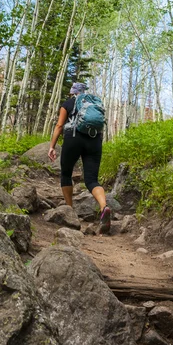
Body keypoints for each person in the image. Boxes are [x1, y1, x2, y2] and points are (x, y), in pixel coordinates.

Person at [47, 82, 111, 234]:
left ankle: (70, 213)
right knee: (92, 180)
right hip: (94, 140)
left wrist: (52, 146)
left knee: (66, 174)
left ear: (72, 92)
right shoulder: (94, 103)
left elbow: (59, 126)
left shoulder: (69, 103)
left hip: (73, 138)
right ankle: (104, 207)